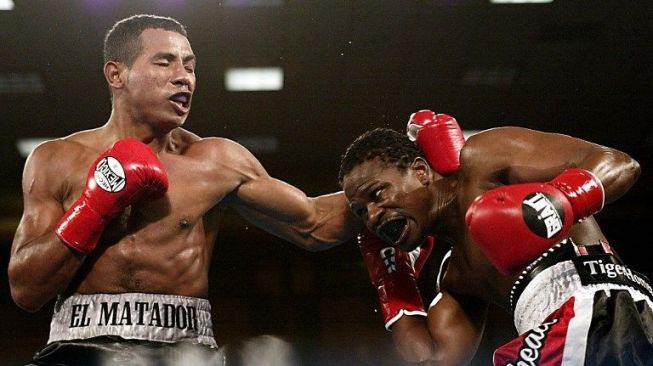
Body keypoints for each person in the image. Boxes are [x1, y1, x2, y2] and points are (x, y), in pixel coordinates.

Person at [8, 14, 360, 366]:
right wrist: (94, 205)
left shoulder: (216, 161)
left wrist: (392, 189)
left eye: (190, 66)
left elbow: (313, 224)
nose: (184, 77)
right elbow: (26, 289)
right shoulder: (55, 159)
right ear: (116, 74)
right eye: (165, 62)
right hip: (77, 349)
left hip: (183, 351)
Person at [338, 110, 653, 365]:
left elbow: (620, 164)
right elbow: (433, 360)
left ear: (420, 172)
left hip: (600, 309)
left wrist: (555, 204)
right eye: (362, 212)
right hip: (590, 333)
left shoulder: (482, 161)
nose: (373, 215)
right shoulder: (457, 278)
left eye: (377, 193)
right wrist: (392, 282)